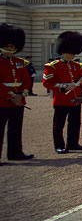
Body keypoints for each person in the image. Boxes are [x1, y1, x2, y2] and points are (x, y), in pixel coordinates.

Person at [44, 31, 82, 153]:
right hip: (61, 99)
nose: (70, 56)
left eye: (73, 54)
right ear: (62, 52)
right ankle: (59, 145)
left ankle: (73, 143)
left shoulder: (78, 66)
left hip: (75, 99)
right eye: (68, 53)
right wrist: (65, 86)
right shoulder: (53, 66)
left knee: (75, 124)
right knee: (59, 125)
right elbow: (48, 83)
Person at [0, 23, 34, 162]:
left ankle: (15, 153)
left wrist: (22, 95)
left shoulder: (21, 63)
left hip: (18, 101)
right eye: (7, 46)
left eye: (12, 46)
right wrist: (11, 96)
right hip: (2, 100)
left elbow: (26, 81)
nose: (9, 49)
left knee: (15, 129)